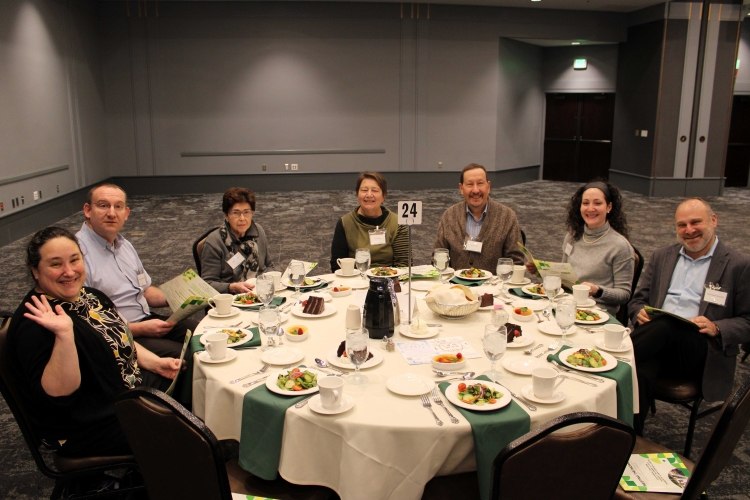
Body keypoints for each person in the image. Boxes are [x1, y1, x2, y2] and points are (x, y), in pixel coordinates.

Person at [6, 227, 181, 457]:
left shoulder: (89, 295)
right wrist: (65, 335)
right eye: (56, 264)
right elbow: (59, 396)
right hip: (87, 423)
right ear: (35, 271)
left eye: (74, 260)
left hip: (121, 391)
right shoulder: (36, 322)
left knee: (192, 379)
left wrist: (156, 364)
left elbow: (118, 337)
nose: (69, 272)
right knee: (187, 435)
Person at [628, 198, 750, 435]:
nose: (689, 230)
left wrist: (717, 327)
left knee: (666, 325)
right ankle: (629, 440)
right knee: (638, 373)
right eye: (682, 225)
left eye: (696, 222)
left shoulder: (739, 264)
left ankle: (612, 359)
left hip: (701, 348)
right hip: (655, 344)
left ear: (713, 220)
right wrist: (638, 312)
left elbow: (748, 321)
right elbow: (637, 300)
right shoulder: (662, 256)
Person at [76, 184, 197, 359]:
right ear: (88, 210)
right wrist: (138, 329)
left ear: (126, 214)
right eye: (103, 205)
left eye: (118, 207)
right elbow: (83, 319)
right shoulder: (76, 254)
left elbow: (145, 291)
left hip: (146, 319)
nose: (111, 213)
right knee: (187, 355)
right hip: (116, 334)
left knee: (206, 334)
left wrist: (181, 298)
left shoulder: (124, 245)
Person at [526, 180, 634, 315]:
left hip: (597, 312)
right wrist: (542, 271)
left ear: (609, 207)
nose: (590, 209)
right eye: (586, 203)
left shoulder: (620, 246)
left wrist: (597, 290)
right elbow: (564, 274)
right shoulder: (572, 237)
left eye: (597, 203)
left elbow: (624, 294)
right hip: (566, 304)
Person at [434, 163, 524, 271]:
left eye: (480, 183)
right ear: (461, 188)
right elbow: (437, 257)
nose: (476, 190)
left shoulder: (507, 217)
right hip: (456, 281)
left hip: (495, 282)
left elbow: (516, 261)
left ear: (488, 187)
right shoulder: (449, 216)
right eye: (470, 184)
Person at [330, 171, 409, 271]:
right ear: (357, 195)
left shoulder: (397, 223)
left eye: (375, 190)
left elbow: (404, 265)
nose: (369, 194)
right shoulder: (345, 223)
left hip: (389, 278)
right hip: (356, 278)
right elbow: (337, 266)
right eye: (364, 190)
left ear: (383, 196)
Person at [200, 187, 273, 293]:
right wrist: (232, 287)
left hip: (260, 292)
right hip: (231, 297)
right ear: (226, 215)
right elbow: (207, 283)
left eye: (246, 212)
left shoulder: (258, 232)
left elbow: (268, 266)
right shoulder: (215, 242)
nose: (242, 218)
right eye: (236, 213)